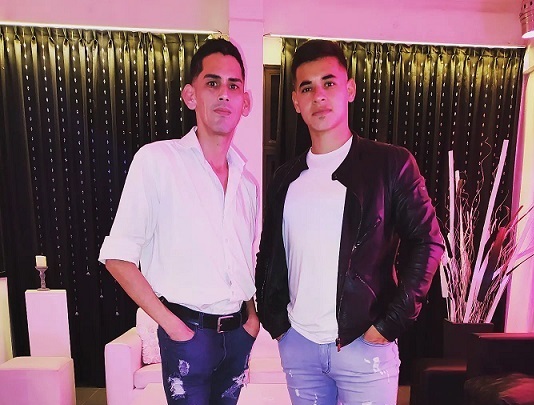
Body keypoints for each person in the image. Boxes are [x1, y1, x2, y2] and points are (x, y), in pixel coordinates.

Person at [255, 39, 445, 405]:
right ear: (295, 100)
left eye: (329, 83)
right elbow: (270, 252)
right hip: (299, 346)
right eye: (307, 87)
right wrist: (274, 321)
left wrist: (390, 323)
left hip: (364, 345)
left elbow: (428, 241)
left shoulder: (390, 164)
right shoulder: (285, 177)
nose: (319, 96)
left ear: (350, 89)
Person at [99, 38, 260, 405]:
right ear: (190, 95)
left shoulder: (247, 184)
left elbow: (244, 258)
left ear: (245, 102)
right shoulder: (157, 162)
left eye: (234, 85)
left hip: (238, 334)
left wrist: (252, 319)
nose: (224, 94)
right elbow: (118, 258)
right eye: (212, 83)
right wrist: (172, 325)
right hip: (188, 335)